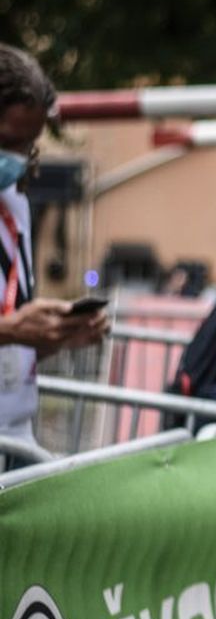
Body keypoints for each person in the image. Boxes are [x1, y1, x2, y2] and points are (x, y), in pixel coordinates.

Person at [0, 44, 108, 458]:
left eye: (27, 146)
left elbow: (14, 335)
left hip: (16, 438)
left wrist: (55, 336)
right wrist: (10, 329)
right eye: (6, 141)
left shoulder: (15, 204)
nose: (15, 159)